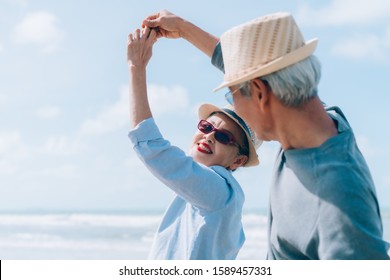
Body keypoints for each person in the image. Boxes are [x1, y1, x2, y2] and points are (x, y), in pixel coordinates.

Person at [142, 10, 390, 259]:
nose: (234, 108)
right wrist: (183, 28)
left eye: (232, 95)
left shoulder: (336, 200)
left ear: (260, 93)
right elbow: (250, 70)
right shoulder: (320, 120)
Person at [126, 26, 261, 259]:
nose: (209, 136)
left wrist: (136, 68)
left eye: (223, 137)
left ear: (238, 160)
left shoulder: (221, 192)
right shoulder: (204, 191)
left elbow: (153, 148)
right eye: (206, 127)